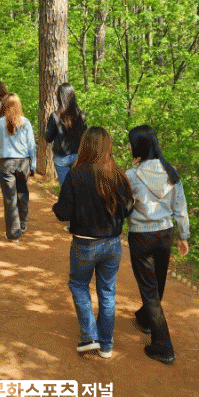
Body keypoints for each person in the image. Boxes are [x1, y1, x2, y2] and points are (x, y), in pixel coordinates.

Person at [53, 127, 134, 358]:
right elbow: (127, 209)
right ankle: (106, 345)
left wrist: (57, 207)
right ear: (108, 147)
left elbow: (63, 212)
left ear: (85, 146)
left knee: (79, 285)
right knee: (107, 292)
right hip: (113, 244)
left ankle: (90, 336)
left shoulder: (76, 174)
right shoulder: (116, 174)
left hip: (85, 244)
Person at [126, 124, 190, 366]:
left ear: (139, 146)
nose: (129, 146)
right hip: (165, 234)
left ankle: (163, 345)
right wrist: (183, 235)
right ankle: (145, 319)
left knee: (149, 289)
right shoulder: (171, 172)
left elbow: (124, 205)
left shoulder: (131, 175)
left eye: (131, 142)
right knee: (157, 283)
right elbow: (180, 206)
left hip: (141, 235)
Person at [0, 94, 36, 242]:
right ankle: (22, 224)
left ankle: (14, 234)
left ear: (3, 106)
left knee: (10, 198)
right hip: (23, 163)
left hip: (5, 163)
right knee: (22, 194)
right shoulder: (26, 122)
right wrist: (33, 164)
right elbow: (31, 146)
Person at [45, 83, 87, 186]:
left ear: (59, 97)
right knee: (78, 188)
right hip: (78, 156)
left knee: (65, 190)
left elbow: (48, 138)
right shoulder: (81, 115)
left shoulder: (55, 116)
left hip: (61, 157)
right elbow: (85, 136)